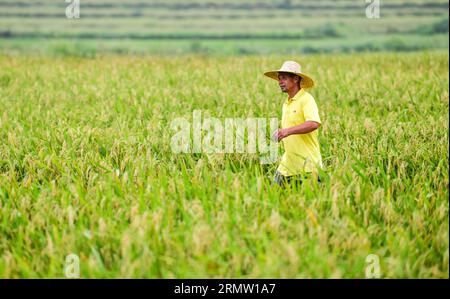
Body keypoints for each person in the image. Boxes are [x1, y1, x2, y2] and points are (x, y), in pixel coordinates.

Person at [264, 61, 323, 188]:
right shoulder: (286, 104)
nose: (280, 82)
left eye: (284, 78)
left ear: (296, 79)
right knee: (273, 196)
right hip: (287, 166)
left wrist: (286, 131)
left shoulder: (306, 100)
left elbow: (313, 123)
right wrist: (280, 134)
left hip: (307, 166)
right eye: (279, 79)